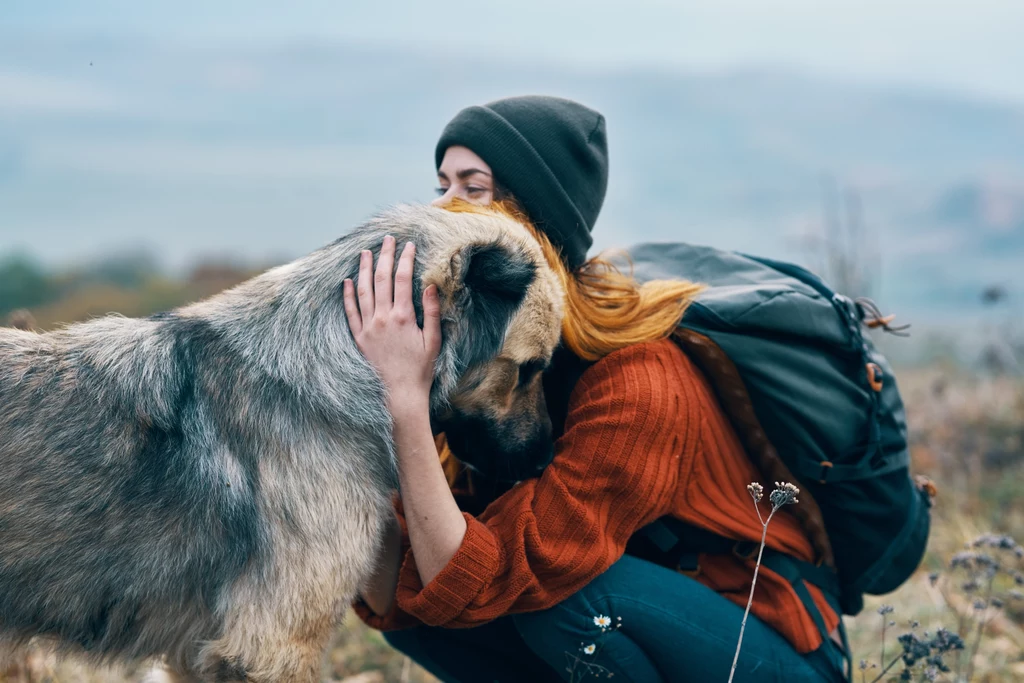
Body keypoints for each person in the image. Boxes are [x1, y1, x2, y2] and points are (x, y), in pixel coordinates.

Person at [346, 96, 848, 682]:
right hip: (633, 643)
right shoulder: (483, 362)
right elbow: (400, 589)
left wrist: (406, 401)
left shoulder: (641, 383)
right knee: (436, 615)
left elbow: (480, 579)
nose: (441, 207)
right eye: (441, 184)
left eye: (473, 187)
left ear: (532, 218)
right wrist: (350, 433)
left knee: (573, 605)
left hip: (767, 650)